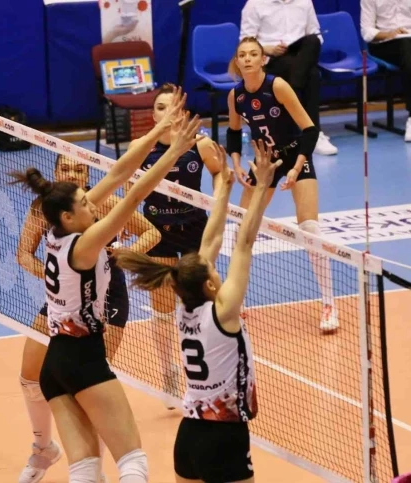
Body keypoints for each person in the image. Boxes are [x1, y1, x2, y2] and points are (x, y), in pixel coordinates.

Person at [9, 88, 202, 483]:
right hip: (84, 358)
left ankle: (47, 452)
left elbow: (117, 174)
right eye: (84, 202)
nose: (91, 203)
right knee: (132, 462)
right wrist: (173, 151)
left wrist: (159, 129)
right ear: (69, 216)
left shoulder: (57, 232)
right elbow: (135, 190)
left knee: (85, 467)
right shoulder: (86, 243)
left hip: (56, 363)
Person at [116, 140, 278, 483]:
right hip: (225, 435)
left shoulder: (184, 310)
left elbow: (211, 241)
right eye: (214, 273)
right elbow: (244, 242)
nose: (217, 271)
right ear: (209, 285)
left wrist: (224, 189)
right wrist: (261, 186)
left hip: (188, 435)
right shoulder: (225, 313)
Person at [15, 154, 161, 483]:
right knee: (30, 377)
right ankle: (44, 448)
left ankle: (93, 470)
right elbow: (23, 254)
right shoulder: (49, 211)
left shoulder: (97, 205)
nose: (72, 173)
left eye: (79, 169)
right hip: (65, 303)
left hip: (104, 301)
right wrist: (57, 278)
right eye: (66, 168)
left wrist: (123, 255)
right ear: (56, 172)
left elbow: (150, 232)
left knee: (90, 392)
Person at [226, 37, 339, 332]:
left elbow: (310, 129)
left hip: (294, 155)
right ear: (237, 61)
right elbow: (233, 132)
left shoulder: (277, 86)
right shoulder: (235, 96)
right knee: (241, 230)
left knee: (310, 228)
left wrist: (297, 167)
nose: (247, 59)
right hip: (265, 163)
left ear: (263, 59)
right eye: (242, 55)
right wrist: (236, 163)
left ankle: (329, 304)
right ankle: (237, 302)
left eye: (253, 54)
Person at [128, 83, 222, 407]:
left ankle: (206, 368)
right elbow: (128, 187)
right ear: (153, 115)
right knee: (163, 306)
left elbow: (219, 172)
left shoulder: (201, 144)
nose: (167, 112)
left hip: (194, 229)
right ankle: (168, 370)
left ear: (183, 113)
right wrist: (128, 224)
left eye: (174, 107)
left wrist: (218, 200)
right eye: (160, 107)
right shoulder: (141, 147)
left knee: (202, 299)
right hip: (158, 231)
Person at [240, 0, 338, 156]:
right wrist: (267, 49)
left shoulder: (304, 2)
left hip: (299, 54)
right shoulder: (254, 4)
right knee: (312, 75)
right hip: (271, 58)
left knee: (313, 40)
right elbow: (246, 42)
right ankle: (313, 134)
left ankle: (293, 89)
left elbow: (316, 34)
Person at [360, 0, 411, 142]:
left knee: (408, 52)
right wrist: (389, 34)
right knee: (408, 54)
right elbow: (367, 31)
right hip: (384, 44)